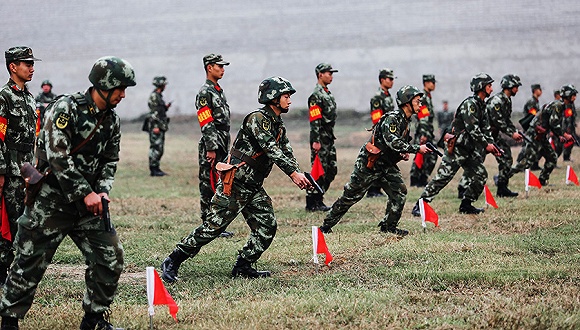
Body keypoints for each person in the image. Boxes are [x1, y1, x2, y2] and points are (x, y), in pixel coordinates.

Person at [0, 56, 135, 330]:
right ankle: (9, 321)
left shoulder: (112, 120)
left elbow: (110, 160)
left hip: (89, 207)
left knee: (109, 258)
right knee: (28, 262)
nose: (123, 95)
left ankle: (94, 320)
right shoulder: (66, 109)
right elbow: (58, 156)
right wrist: (85, 192)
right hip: (50, 202)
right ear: (104, 85)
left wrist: (103, 192)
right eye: (120, 88)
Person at [160, 76, 311, 283]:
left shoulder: (278, 124)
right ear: (273, 98)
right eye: (286, 96)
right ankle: (173, 260)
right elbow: (271, 149)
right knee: (214, 227)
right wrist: (293, 174)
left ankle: (243, 266)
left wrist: (297, 171)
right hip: (237, 183)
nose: (290, 100)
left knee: (267, 225)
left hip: (253, 186)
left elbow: (286, 151)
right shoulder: (257, 119)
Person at [319, 85, 432, 236]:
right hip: (369, 164)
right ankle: (325, 227)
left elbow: (396, 145)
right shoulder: (392, 119)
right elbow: (392, 141)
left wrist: (403, 153)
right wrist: (417, 148)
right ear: (407, 102)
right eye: (417, 101)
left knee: (399, 192)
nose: (420, 104)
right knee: (351, 196)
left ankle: (388, 227)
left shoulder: (406, 121)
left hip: (386, 164)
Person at [412, 73, 500, 216]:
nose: (491, 89)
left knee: (481, 175)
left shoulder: (482, 105)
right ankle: (420, 204)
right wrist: (486, 145)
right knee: (443, 177)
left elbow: (485, 128)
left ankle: (466, 204)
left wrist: (492, 144)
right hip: (457, 148)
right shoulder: (470, 105)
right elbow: (473, 129)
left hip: (469, 150)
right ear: (481, 87)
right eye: (489, 86)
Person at [0, 46, 41, 284]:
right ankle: (5, 269)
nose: (31, 68)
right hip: (11, 172)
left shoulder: (28, 97)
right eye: (27, 63)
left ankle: (18, 269)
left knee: (26, 220)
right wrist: (1, 172)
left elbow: (32, 136)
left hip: (27, 170)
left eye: (32, 63)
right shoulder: (4, 96)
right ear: (13, 66)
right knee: (11, 222)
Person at [196, 54, 233, 238]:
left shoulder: (218, 90)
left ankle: (217, 224)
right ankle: (208, 223)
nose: (223, 69)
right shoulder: (205, 93)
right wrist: (211, 148)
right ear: (209, 67)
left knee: (220, 183)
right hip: (212, 145)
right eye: (220, 66)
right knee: (208, 183)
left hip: (222, 142)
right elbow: (206, 121)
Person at [509, 84, 575, 185]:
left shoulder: (559, 105)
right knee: (527, 161)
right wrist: (564, 134)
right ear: (568, 95)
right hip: (535, 135)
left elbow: (551, 123)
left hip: (541, 135)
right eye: (573, 95)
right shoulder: (558, 105)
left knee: (552, 157)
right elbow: (554, 123)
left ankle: (542, 180)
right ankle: (503, 177)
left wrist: (560, 136)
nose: (575, 97)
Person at [305, 63, 338, 212]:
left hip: (329, 137)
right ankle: (313, 202)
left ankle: (319, 196)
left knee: (331, 169)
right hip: (321, 138)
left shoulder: (327, 93)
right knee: (319, 170)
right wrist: (316, 140)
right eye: (328, 73)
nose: (331, 76)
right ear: (320, 75)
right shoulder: (316, 96)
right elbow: (315, 120)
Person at [487, 74, 524, 197]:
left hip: (494, 136)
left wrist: (515, 131)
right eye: (515, 87)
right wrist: (511, 134)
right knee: (475, 161)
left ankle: (502, 189)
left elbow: (507, 120)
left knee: (506, 157)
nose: (517, 90)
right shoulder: (497, 101)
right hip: (484, 136)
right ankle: (463, 189)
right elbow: (498, 121)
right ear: (509, 86)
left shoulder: (507, 100)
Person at [366, 68, 396, 198]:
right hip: (380, 134)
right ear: (382, 80)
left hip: (388, 133)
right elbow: (377, 118)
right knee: (376, 161)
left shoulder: (387, 96)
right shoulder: (377, 97)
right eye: (390, 79)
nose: (392, 81)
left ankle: (377, 188)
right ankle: (372, 190)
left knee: (384, 162)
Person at [410, 74, 437, 187]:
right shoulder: (424, 98)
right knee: (421, 156)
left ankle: (422, 178)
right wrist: (424, 134)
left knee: (429, 156)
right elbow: (423, 117)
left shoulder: (428, 97)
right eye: (432, 82)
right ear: (426, 83)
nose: (434, 84)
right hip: (423, 131)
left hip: (427, 131)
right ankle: (416, 179)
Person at [147, 76, 171, 176]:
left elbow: (159, 110)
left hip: (160, 125)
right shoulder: (154, 96)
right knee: (156, 147)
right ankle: (154, 169)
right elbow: (153, 112)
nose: (165, 86)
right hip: (156, 126)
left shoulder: (158, 96)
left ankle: (156, 168)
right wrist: (156, 126)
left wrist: (165, 107)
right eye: (164, 84)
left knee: (159, 148)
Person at [516, 84, 542, 171]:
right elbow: (532, 115)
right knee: (527, 146)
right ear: (535, 90)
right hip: (529, 127)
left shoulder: (536, 101)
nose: (541, 91)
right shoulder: (531, 102)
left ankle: (534, 164)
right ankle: (520, 163)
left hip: (534, 126)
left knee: (535, 145)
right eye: (539, 89)